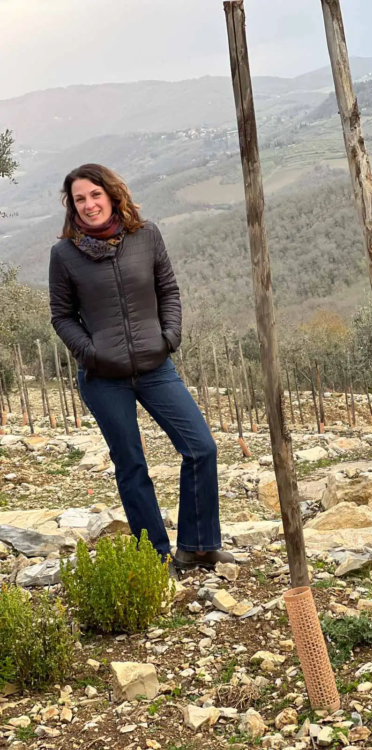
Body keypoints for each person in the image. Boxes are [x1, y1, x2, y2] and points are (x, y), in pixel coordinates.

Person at [49, 163, 234, 578]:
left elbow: (168, 288)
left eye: (95, 195)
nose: (89, 204)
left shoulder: (145, 235)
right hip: (102, 378)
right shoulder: (63, 254)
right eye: (80, 199)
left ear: (111, 195)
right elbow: (61, 315)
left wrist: (169, 337)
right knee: (131, 464)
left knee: (201, 448)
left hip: (156, 367)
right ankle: (155, 558)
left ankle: (199, 547)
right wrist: (91, 353)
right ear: (72, 205)